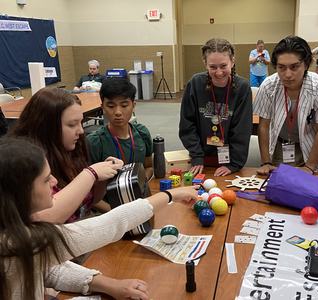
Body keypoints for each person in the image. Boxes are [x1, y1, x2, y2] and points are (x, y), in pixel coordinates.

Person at [0, 137, 198, 299]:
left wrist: (107, 284)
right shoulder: (17, 243)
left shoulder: (18, 237)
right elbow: (109, 224)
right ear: (19, 193)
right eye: (45, 179)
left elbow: (45, 269)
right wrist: (171, 195)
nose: (54, 182)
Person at [10, 87, 122, 223]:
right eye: (72, 124)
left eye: (81, 122)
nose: (81, 131)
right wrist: (91, 174)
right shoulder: (24, 160)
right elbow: (45, 217)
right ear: (46, 126)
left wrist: (102, 179)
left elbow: (89, 201)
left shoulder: (71, 148)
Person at [253, 36, 318, 175]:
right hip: (280, 147)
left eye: (294, 67)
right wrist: (266, 162)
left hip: (311, 151)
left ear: (306, 64)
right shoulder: (268, 86)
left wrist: (310, 166)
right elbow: (263, 126)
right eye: (281, 67)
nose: (288, 74)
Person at [179, 38, 252, 177]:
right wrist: (197, 156)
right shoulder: (195, 84)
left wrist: (234, 164)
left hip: (229, 162)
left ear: (233, 62)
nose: (218, 72)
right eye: (213, 67)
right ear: (205, 64)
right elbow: (187, 124)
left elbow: (242, 130)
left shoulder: (242, 88)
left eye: (223, 66)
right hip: (200, 159)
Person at [87, 77, 153, 180]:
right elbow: (89, 181)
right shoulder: (95, 142)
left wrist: (137, 184)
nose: (118, 112)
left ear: (133, 105)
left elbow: (148, 166)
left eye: (124, 105)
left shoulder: (142, 133)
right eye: (111, 106)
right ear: (103, 108)